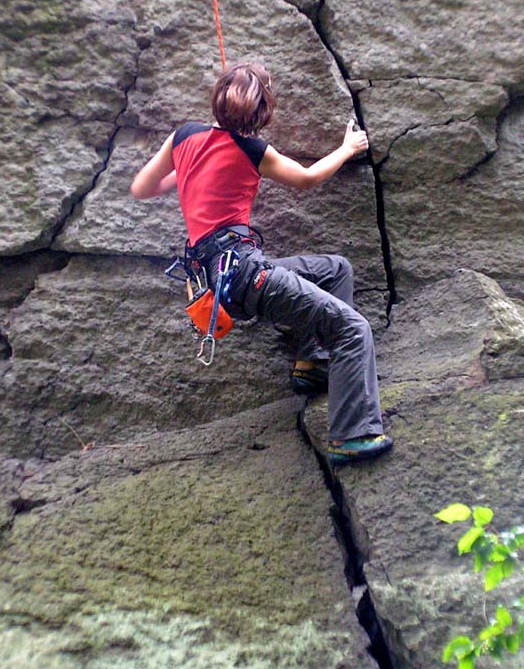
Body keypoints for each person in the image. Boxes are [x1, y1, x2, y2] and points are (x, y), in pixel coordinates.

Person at [130, 62, 393, 467]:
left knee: (335, 269)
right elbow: (305, 179)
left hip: (218, 277)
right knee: (353, 329)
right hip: (246, 272)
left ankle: (312, 362)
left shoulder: (182, 136)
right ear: (263, 111)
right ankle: (351, 434)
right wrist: (347, 148)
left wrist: (182, 173)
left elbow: (142, 188)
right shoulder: (253, 150)